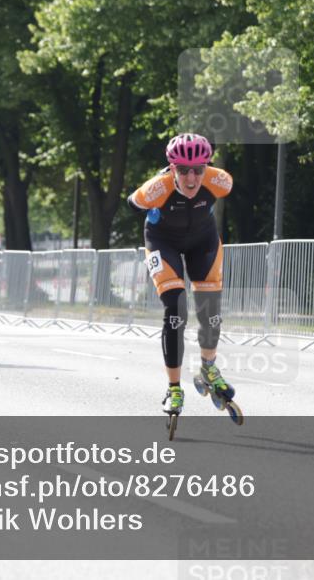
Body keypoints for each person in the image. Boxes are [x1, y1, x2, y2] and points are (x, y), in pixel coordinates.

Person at [127, 133, 238, 420]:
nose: (191, 178)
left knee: (210, 311)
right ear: (172, 168)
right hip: (163, 242)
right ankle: (174, 387)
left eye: (198, 170)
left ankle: (209, 367)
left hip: (203, 240)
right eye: (183, 170)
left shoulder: (220, 180)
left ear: (207, 167)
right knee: (176, 309)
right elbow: (132, 203)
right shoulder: (157, 188)